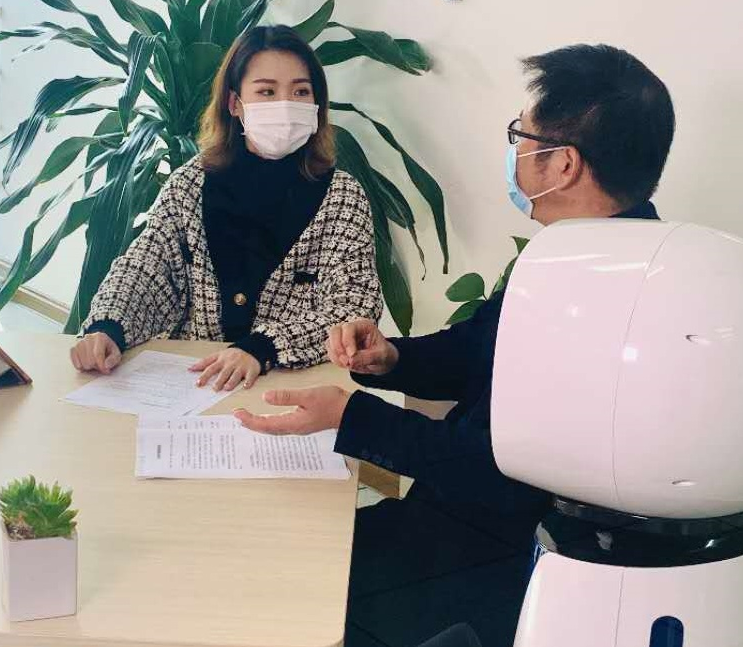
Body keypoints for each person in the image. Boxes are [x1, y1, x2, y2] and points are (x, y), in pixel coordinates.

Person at [235, 43, 676, 647]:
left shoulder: (604, 303)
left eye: (522, 135)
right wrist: (391, 358)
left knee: (282, 585)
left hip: (495, 556)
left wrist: (351, 416)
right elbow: (477, 350)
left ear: (563, 165)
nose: (514, 151)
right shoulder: (587, 256)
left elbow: (502, 474)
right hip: (462, 522)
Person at [70, 25, 383, 392]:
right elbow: (146, 267)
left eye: (300, 91)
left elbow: (353, 307)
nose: (285, 105)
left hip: (292, 384)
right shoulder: (191, 183)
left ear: (316, 106)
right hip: (196, 382)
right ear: (235, 104)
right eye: (267, 91)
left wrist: (264, 348)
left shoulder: (342, 195)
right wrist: (107, 326)